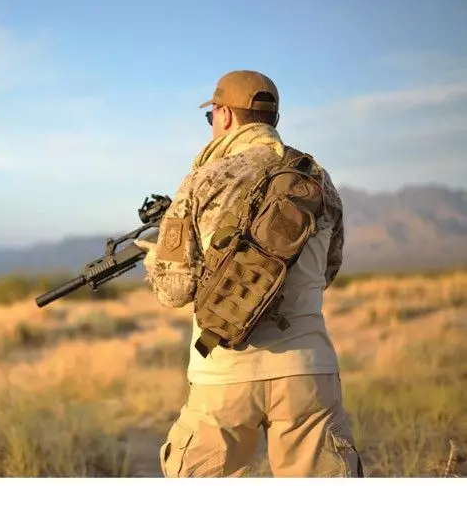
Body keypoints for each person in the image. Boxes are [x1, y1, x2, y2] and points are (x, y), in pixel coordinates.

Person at [134, 70, 364, 478]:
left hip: (224, 370)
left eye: (212, 117)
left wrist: (155, 260)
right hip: (308, 370)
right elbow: (329, 268)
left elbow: (175, 290)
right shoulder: (317, 178)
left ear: (224, 115)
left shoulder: (204, 179)